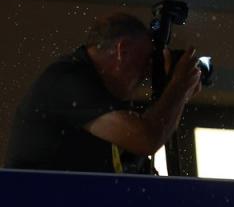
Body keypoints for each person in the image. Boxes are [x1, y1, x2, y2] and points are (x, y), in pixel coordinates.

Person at [5, 13, 202, 173]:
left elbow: (136, 167)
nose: (147, 72)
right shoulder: (66, 80)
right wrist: (178, 87)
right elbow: (147, 139)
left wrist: (174, 94)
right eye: (146, 60)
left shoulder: (107, 103)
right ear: (122, 50)